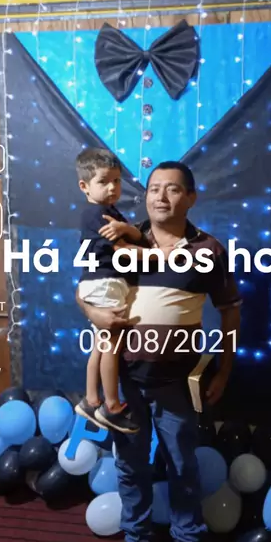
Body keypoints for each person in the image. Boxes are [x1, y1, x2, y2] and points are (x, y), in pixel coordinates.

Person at [77, 161, 241, 542]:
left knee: (182, 464)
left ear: (191, 197)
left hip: (176, 383)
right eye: (153, 189)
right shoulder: (120, 238)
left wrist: (225, 369)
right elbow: (86, 286)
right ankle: (135, 538)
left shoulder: (209, 250)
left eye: (172, 189)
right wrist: (93, 311)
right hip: (125, 381)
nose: (160, 197)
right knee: (129, 465)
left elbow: (230, 312)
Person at [75, 146, 154, 435]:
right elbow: (125, 250)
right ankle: (111, 405)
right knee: (111, 344)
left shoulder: (108, 213)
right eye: (104, 181)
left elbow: (131, 236)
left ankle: (90, 400)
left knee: (101, 343)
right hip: (105, 282)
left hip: (101, 283)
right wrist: (164, 255)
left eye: (117, 181)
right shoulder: (98, 214)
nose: (112, 188)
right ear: (84, 186)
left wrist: (128, 230)